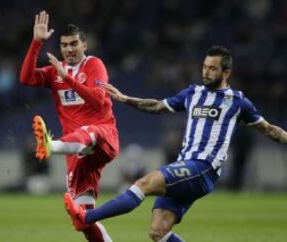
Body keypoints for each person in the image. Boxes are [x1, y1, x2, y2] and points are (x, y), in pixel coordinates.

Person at [63, 45, 287, 242]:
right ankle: (85, 218)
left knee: (144, 183)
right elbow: (157, 106)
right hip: (186, 166)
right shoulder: (192, 93)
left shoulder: (237, 102)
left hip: (203, 167)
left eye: (212, 68)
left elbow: (268, 129)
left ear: (226, 72)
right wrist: (125, 99)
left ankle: (85, 217)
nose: (206, 72)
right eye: (205, 66)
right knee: (158, 232)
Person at [19, 11, 119, 242]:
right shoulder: (55, 72)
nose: (69, 49)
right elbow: (26, 78)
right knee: (82, 219)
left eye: (74, 43)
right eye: (64, 45)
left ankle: (50, 145)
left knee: (88, 132)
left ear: (84, 45)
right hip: (77, 154)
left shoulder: (94, 64)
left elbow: (99, 100)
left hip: (103, 137)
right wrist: (36, 43)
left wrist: (68, 78)